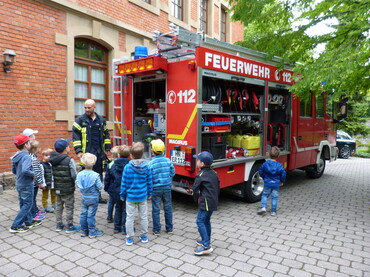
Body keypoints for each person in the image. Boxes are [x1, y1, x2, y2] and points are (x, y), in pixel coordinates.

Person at [72, 99, 111, 204]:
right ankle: (87, 196)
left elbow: (106, 134)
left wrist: (107, 148)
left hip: (99, 152)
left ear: (94, 107)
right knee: (87, 174)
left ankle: (98, 196)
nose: (87, 109)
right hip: (87, 152)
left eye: (89, 107)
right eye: (85, 107)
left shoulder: (101, 120)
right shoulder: (80, 120)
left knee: (98, 174)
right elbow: (75, 137)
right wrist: (78, 151)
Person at [120, 142, 152, 245]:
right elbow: (149, 181)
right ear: (142, 154)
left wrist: (122, 195)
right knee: (143, 216)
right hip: (142, 196)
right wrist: (150, 193)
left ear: (131, 155)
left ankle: (129, 237)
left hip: (130, 197)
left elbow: (124, 183)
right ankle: (144, 236)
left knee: (130, 217)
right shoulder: (147, 167)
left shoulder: (127, 168)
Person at [9, 134, 42, 233]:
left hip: (19, 184)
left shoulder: (17, 155)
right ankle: (16, 225)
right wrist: (34, 174)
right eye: (28, 142)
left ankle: (29, 221)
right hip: (27, 184)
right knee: (28, 204)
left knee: (23, 203)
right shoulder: (27, 156)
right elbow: (25, 170)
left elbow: (14, 170)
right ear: (26, 145)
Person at [191, 151, 220, 256]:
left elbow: (195, 190)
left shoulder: (200, 175)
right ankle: (205, 239)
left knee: (199, 221)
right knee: (206, 221)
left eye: (198, 160)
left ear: (202, 164)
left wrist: (195, 199)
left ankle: (206, 246)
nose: (196, 161)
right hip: (213, 201)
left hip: (205, 203)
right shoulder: (214, 173)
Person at [49, 138, 80, 233]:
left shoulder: (52, 159)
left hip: (57, 188)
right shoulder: (69, 160)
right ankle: (69, 225)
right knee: (69, 206)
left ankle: (59, 225)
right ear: (66, 148)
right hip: (68, 189)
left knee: (59, 206)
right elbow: (74, 175)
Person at [148, 139, 175, 235]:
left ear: (152, 151)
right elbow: (172, 172)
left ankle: (156, 229)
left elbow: (149, 177)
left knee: (156, 209)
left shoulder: (151, 163)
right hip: (167, 188)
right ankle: (169, 228)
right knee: (168, 207)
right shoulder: (168, 161)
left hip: (155, 189)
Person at [76, 153, 104, 238]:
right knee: (91, 215)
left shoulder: (79, 174)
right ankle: (92, 231)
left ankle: (84, 231)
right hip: (93, 197)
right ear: (94, 163)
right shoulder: (95, 175)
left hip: (84, 197)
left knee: (83, 214)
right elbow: (100, 187)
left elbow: (77, 184)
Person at [257, 146, 286, 216]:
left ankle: (263, 207)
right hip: (276, 184)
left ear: (269, 154)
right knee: (274, 197)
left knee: (264, 195)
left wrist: (264, 177)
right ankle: (273, 211)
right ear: (278, 155)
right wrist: (282, 181)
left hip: (267, 183)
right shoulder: (279, 165)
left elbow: (260, 171)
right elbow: (283, 173)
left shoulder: (265, 164)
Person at [111, 145, 130, 235]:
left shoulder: (114, 165)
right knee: (126, 210)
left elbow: (110, 177)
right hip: (127, 190)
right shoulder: (130, 165)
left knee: (118, 208)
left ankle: (116, 227)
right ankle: (125, 228)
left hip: (116, 190)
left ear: (118, 155)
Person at [29, 140, 46, 221]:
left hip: (34, 183)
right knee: (32, 198)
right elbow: (36, 172)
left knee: (33, 198)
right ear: (35, 148)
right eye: (39, 147)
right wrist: (40, 183)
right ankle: (33, 214)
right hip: (34, 183)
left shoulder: (33, 156)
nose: (40, 149)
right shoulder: (33, 159)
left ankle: (35, 210)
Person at [104, 146, 119, 223]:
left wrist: (106, 187)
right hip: (118, 188)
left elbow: (107, 178)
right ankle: (117, 217)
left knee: (111, 202)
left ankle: (109, 217)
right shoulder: (120, 164)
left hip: (111, 188)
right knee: (117, 203)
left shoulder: (110, 165)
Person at [40, 148, 56, 213]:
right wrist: (43, 184)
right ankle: (45, 206)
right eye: (46, 155)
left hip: (52, 182)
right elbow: (41, 175)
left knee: (54, 194)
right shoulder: (42, 165)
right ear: (43, 156)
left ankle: (54, 204)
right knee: (45, 195)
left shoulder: (52, 163)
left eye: (50, 155)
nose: (48, 157)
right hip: (46, 183)